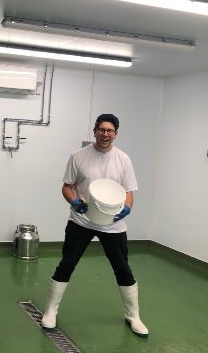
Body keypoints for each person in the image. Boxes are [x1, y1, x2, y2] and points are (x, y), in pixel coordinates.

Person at [41, 113, 149, 338]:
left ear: (116, 134)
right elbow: (67, 186)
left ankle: (134, 316)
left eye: (110, 131)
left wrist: (127, 208)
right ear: (94, 131)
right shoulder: (78, 156)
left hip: (112, 225)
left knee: (123, 269)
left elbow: (129, 191)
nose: (105, 134)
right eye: (101, 130)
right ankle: (50, 311)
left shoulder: (123, 159)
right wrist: (73, 201)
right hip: (81, 221)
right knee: (67, 263)